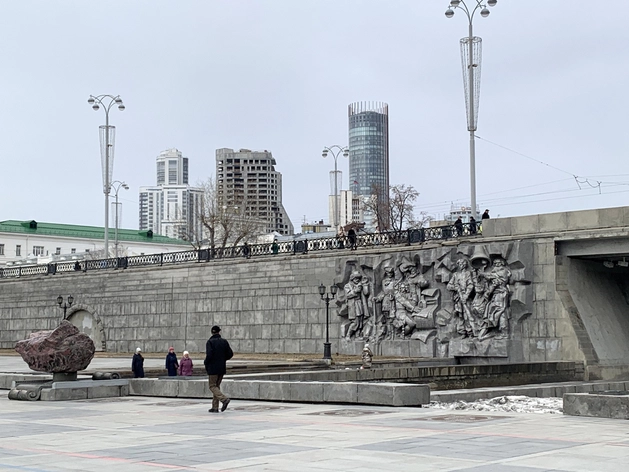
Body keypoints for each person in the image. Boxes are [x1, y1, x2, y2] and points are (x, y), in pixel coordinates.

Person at [204, 325, 234, 413]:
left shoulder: (210, 342)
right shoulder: (224, 341)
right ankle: (215, 407)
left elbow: (209, 355)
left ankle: (224, 399)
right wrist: (223, 359)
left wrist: (206, 362)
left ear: (211, 332)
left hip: (213, 368)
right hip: (221, 367)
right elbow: (230, 354)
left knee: (212, 386)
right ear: (219, 332)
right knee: (216, 386)